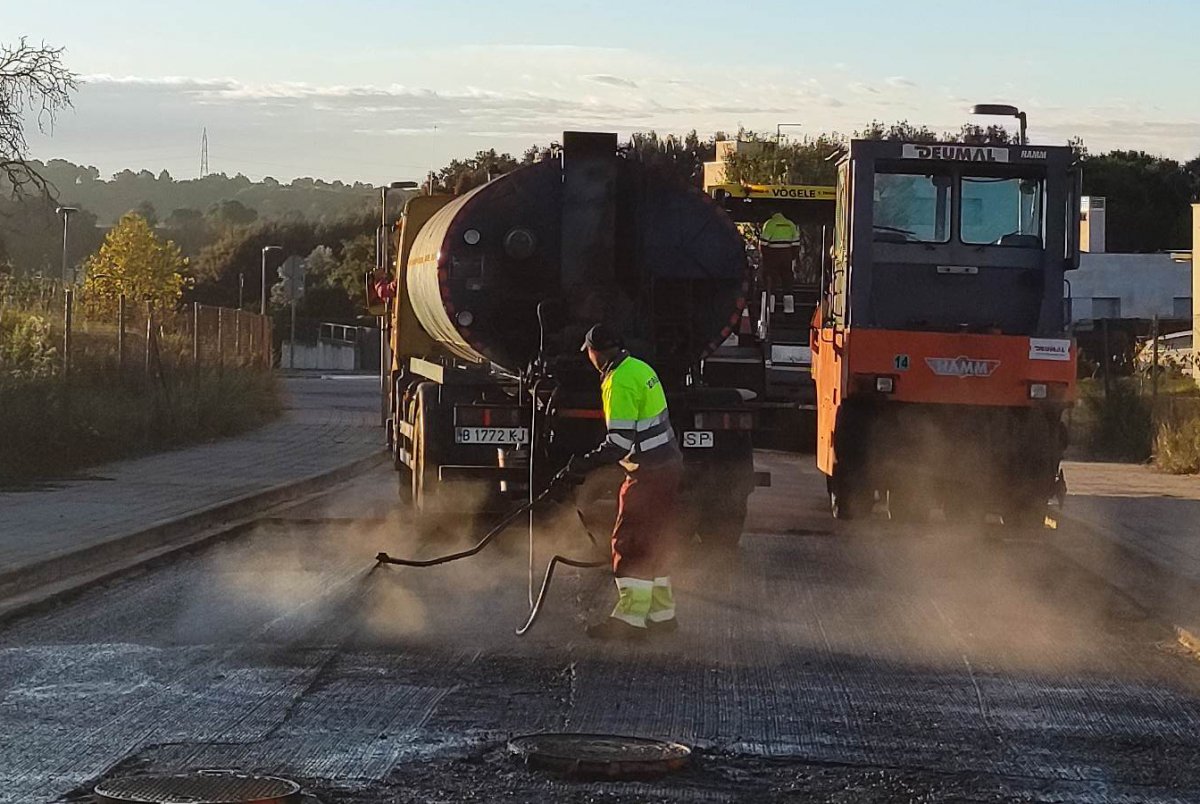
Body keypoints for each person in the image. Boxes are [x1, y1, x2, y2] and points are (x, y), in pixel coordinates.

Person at [558, 323, 683, 641]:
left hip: (648, 473)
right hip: (668, 466)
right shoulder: (640, 368)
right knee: (655, 540)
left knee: (629, 541)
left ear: (595, 352)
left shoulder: (619, 382)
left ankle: (629, 621)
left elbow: (619, 443)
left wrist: (581, 466)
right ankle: (661, 614)